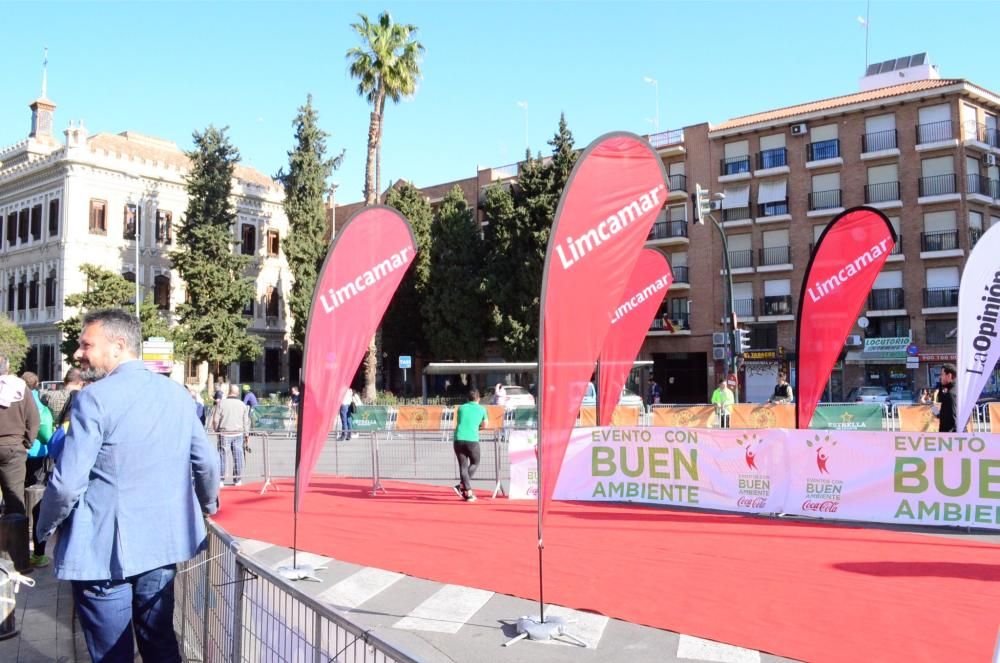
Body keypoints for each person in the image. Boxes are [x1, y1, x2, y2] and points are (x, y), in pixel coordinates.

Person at [36, 309, 218, 663]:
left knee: (112, 654)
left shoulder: (93, 399)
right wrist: (208, 504)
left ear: (118, 345)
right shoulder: (179, 396)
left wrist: (44, 527)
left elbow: (67, 483)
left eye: (86, 344)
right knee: (160, 643)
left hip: (104, 554)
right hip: (161, 546)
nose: (78, 353)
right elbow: (208, 464)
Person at [0, 355, 39, 531]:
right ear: (7, 367)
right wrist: (27, 442)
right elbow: (34, 419)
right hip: (14, 448)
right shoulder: (20, 388)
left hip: (13, 446)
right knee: (14, 497)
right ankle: (16, 551)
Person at [21, 372, 53, 568]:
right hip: (36, 454)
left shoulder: (9, 398)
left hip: (14, 454)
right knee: (36, 497)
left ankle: (14, 544)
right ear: (36, 385)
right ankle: (37, 550)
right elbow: (46, 431)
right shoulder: (38, 404)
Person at [452, 389, 488, 502]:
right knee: (475, 462)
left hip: (458, 439)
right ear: (479, 399)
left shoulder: (461, 408)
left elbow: (459, 422)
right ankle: (466, 489)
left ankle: (464, 488)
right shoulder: (482, 409)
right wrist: (477, 428)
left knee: (463, 466)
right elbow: (485, 425)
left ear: (468, 398)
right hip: (472, 439)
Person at [212, 384, 251, 486]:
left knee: (222, 456)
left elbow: (215, 419)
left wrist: (217, 430)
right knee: (238, 456)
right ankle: (237, 479)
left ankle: (221, 479)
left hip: (224, 432)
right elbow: (246, 421)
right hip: (238, 432)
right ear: (237, 393)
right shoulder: (242, 405)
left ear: (228, 392)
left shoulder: (221, 404)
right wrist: (246, 434)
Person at [933, 364, 957, 433]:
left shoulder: (951, 394)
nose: (940, 377)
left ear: (949, 376)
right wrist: (935, 410)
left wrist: (946, 436)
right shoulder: (947, 387)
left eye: (942, 374)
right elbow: (944, 413)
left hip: (951, 436)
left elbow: (951, 420)